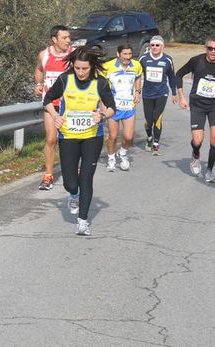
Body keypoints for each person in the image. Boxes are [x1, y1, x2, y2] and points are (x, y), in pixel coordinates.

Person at [43, 46, 116, 235]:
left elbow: (112, 107)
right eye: (77, 68)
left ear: (91, 67)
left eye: (85, 68)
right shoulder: (65, 80)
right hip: (68, 136)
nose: (81, 72)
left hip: (92, 136)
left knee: (86, 179)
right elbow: (47, 100)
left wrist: (102, 115)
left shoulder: (100, 83)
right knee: (70, 183)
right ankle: (73, 195)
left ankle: (83, 221)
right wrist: (55, 116)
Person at [176, 35, 215, 183]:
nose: (213, 51)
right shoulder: (196, 60)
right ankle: (195, 157)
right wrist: (181, 96)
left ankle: (209, 171)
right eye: (210, 48)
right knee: (197, 141)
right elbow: (179, 74)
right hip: (198, 105)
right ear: (205, 48)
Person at [34, 25, 72, 190]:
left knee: (70, 140)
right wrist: (38, 84)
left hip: (70, 105)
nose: (68, 40)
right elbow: (38, 70)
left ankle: (71, 171)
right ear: (54, 39)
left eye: (69, 37)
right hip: (50, 104)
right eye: (64, 38)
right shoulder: (44, 55)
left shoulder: (73, 54)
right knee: (51, 139)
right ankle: (48, 175)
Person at [102, 44, 143, 171]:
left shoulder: (136, 65)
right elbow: (101, 86)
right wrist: (103, 105)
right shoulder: (107, 67)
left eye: (130, 54)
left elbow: (138, 76)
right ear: (118, 54)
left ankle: (123, 153)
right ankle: (111, 158)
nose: (127, 57)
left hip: (129, 107)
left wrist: (137, 91)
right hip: (113, 108)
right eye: (124, 54)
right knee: (113, 136)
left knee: (129, 137)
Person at [138, 35, 178, 155]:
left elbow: (172, 77)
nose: (155, 47)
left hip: (162, 93)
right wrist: (136, 91)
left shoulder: (167, 60)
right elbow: (137, 75)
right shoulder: (143, 59)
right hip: (147, 94)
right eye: (152, 45)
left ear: (162, 46)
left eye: (157, 45)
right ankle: (149, 137)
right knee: (149, 120)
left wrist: (174, 93)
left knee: (157, 117)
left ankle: (156, 144)